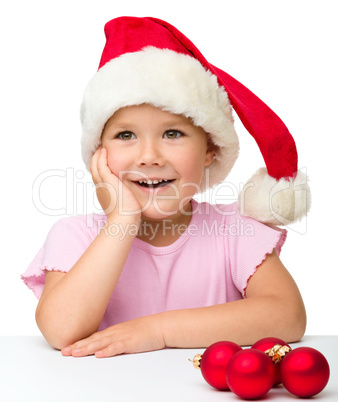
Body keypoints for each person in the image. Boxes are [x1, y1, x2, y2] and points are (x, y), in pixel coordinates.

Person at [22, 16, 310, 358]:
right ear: (99, 152)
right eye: (125, 135)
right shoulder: (75, 235)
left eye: (173, 133)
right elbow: (61, 330)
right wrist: (121, 222)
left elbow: (288, 316)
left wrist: (157, 330)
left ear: (210, 150)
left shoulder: (235, 230)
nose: (149, 156)